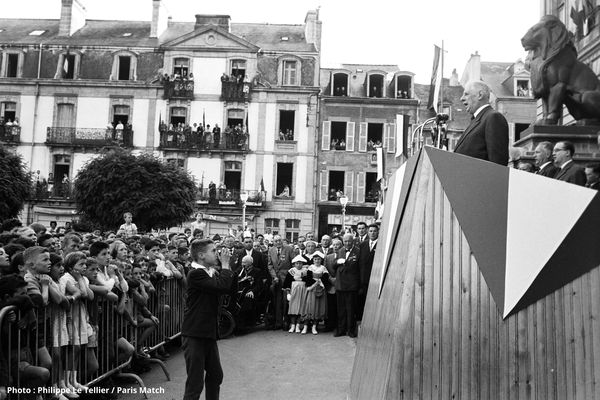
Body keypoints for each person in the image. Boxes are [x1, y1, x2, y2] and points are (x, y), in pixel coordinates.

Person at [182, 239, 234, 400]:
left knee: (216, 375)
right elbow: (221, 287)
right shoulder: (195, 273)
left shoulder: (211, 272)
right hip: (195, 333)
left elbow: (229, 287)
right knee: (195, 383)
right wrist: (225, 266)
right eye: (213, 250)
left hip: (208, 333)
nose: (217, 253)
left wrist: (226, 268)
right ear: (201, 255)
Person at [454, 80, 509, 165]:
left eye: (466, 94)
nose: (462, 98)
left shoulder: (493, 118)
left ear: (480, 95)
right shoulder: (477, 120)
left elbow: (498, 165)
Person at [332, 233, 360, 338]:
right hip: (340, 285)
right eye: (345, 241)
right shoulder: (340, 251)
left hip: (352, 285)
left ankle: (351, 330)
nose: (347, 243)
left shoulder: (358, 251)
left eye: (349, 241)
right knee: (341, 309)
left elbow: (360, 268)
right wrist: (338, 262)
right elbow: (333, 265)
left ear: (352, 241)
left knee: (351, 309)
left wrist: (359, 285)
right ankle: (341, 329)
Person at [266, 235, 294, 330]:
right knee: (277, 301)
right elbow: (270, 265)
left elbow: (293, 263)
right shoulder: (271, 250)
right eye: (276, 241)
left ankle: (286, 322)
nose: (278, 242)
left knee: (286, 301)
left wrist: (290, 277)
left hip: (287, 278)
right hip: (276, 279)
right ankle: (278, 322)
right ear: (273, 242)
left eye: (279, 240)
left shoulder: (289, 249)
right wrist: (274, 276)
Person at [303, 251, 330, 335]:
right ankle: (305, 326)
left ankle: (314, 326)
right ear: (313, 260)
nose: (317, 261)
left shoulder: (323, 268)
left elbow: (325, 278)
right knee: (309, 307)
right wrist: (314, 283)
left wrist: (320, 282)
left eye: (318, 259)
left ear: (321, 260)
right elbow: (308, 278)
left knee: (318, 308)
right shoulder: (311, 267)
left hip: (321, 289)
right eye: (315, 259)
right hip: (312, 289)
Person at [357, 224, 378, 322]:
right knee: (362, 302)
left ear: (378, 232)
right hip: (363, 280)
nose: (372, 233)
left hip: (375, 279)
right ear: (368, 232)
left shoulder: (381, 244)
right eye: (370, 231)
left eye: (374, 231)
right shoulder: (362, 245)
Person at [283, 255, 309, 334]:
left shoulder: (305, 271)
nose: (298, 265)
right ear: (294, 264)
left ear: (302, 264)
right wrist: (288, 293)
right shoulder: (291, 271)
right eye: (297, 263)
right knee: (293, 308)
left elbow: (308, 281)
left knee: (301, 308)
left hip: (303, 290)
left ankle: (298, 325)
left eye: (300, 263)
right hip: (293, 291)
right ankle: (293, 325)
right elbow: (287, 283)